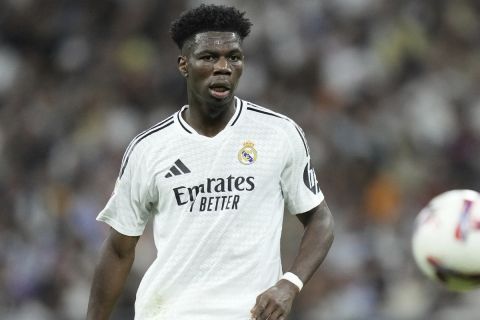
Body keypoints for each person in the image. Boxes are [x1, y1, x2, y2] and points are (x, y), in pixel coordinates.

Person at [87, 4, 334, 320]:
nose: (223, 67)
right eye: (208, 57)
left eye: (234, 56)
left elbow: (320, 221)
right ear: (184, 65)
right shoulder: (149, 149)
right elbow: (119, 250)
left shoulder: (279, 134)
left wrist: (290, 284)